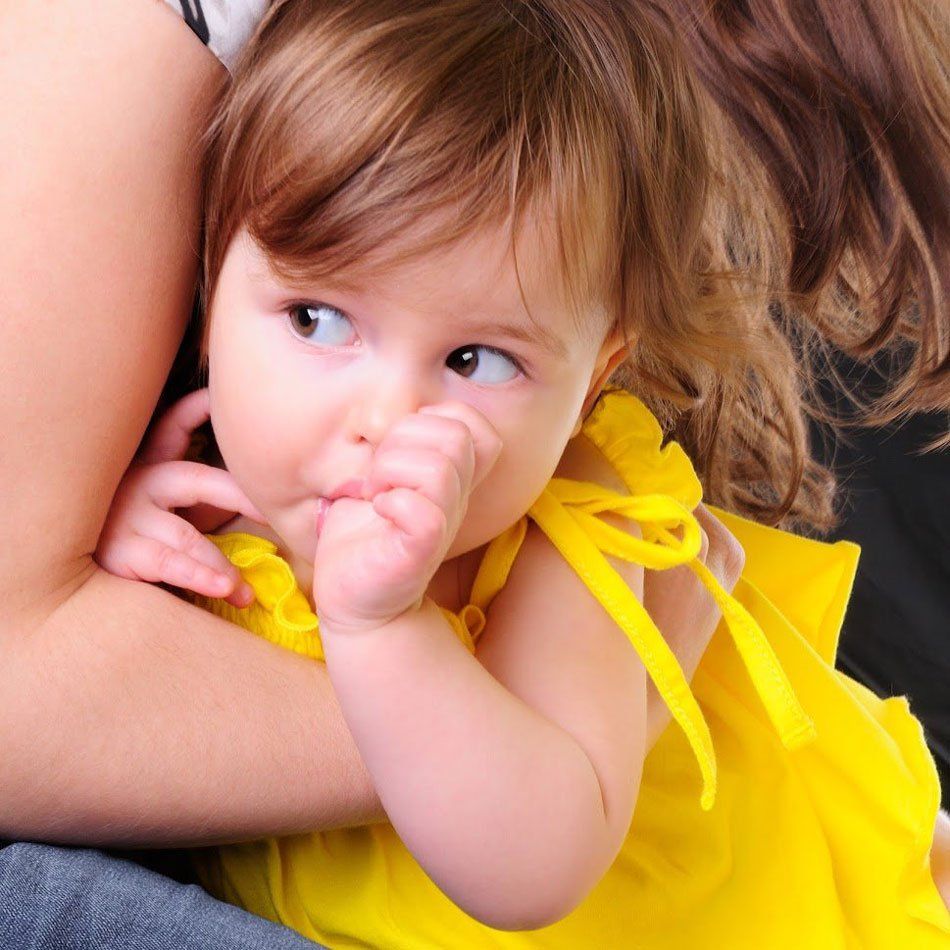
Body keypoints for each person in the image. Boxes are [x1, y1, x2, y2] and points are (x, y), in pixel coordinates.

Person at [87, 1, 950, 946]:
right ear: (208, 283)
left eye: (474, 362)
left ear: (592, 383)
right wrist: (114, 538)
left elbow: (533, 863)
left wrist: (383, 627)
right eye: (315, 321)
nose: (386, 422)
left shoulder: (572, 518)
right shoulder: (202, 482)